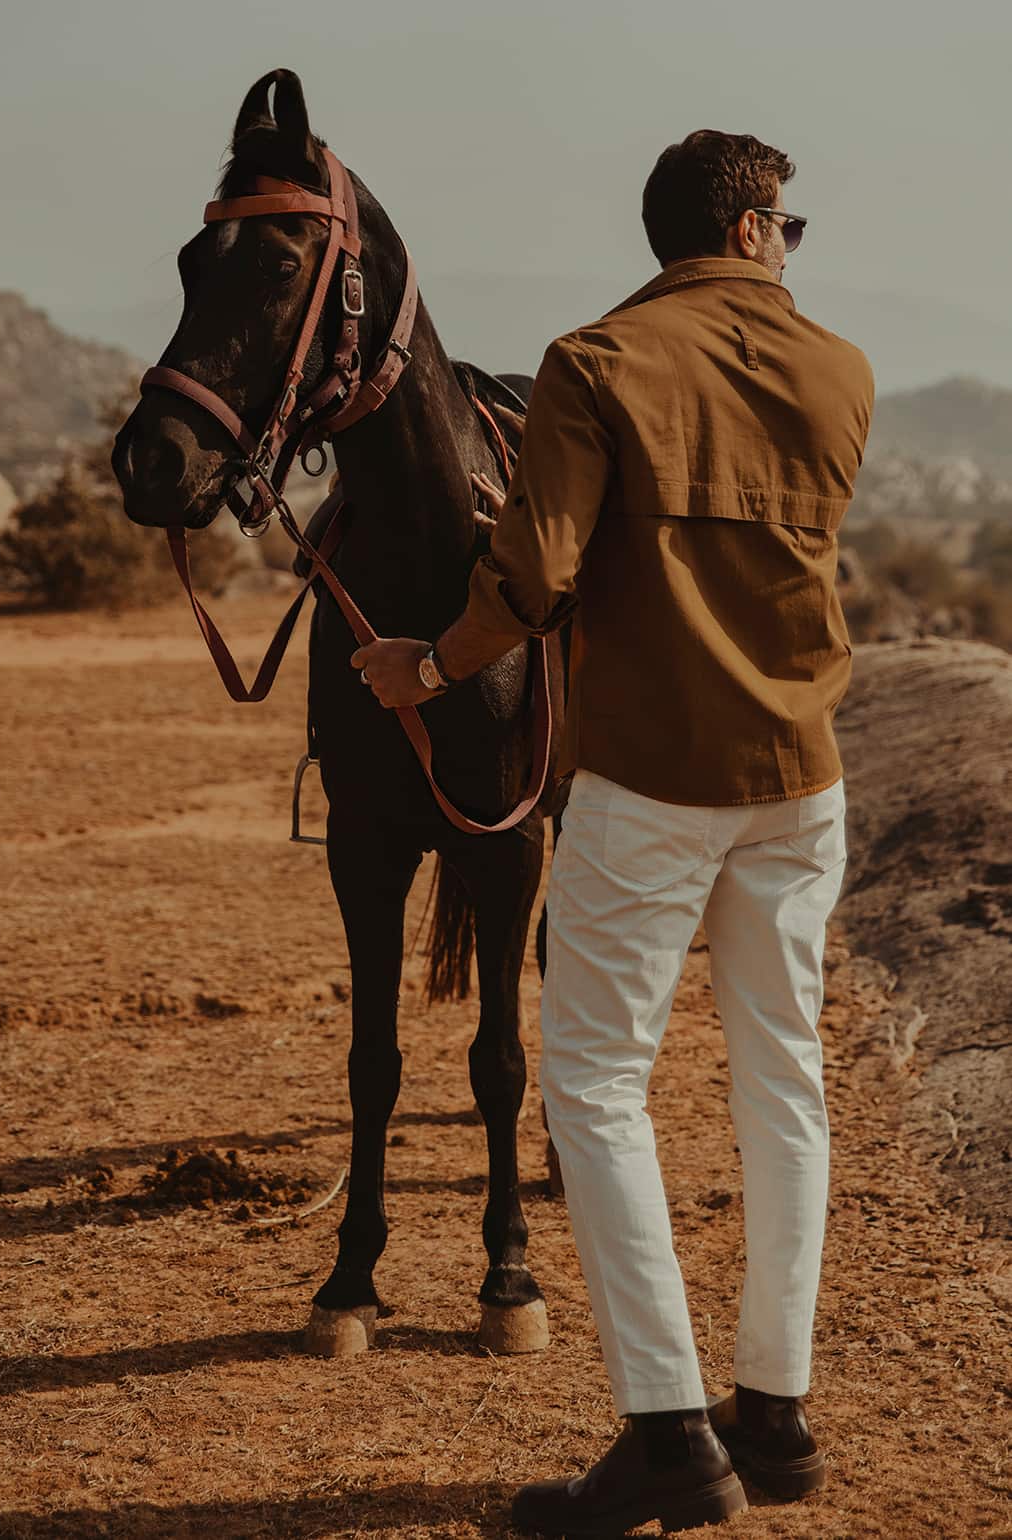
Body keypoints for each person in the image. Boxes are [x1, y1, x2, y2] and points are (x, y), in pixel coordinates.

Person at [353, 129, 874, 1535]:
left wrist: (428, 669)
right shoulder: (844, 371)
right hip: (803, 778)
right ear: (756, 228)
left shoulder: (596, 366)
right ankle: (775, 1412)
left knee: (592, 1086)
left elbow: (530, 578)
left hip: (652, 787)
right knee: (783, 1083)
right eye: (791, 223)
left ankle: (665, 1432)